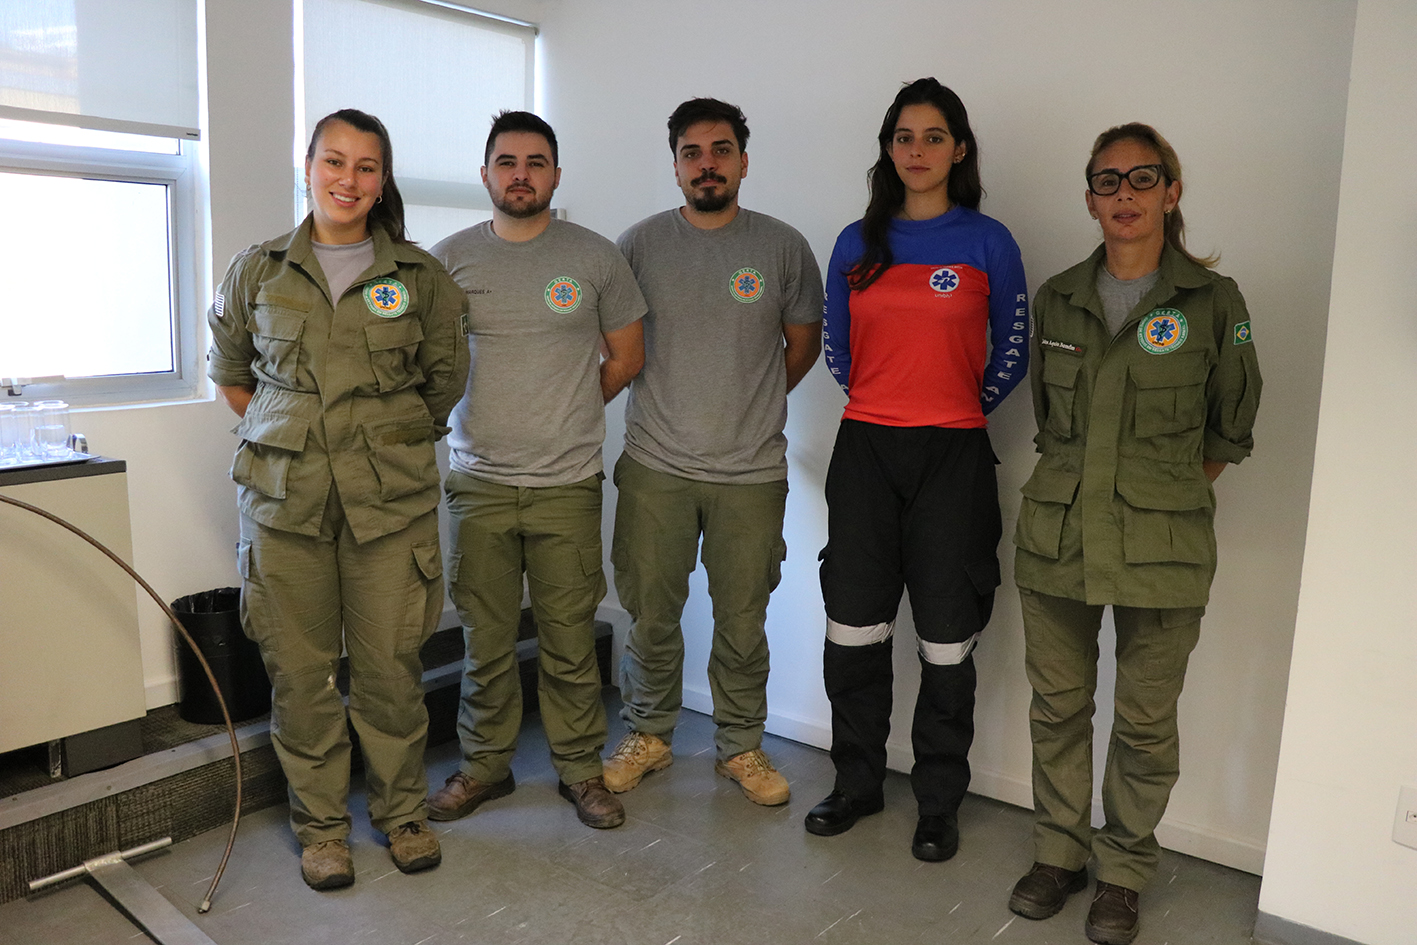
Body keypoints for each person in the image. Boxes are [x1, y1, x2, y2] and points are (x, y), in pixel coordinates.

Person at [1007, 123, 1261, 945]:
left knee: (1145, 722)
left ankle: (1121, 872)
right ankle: (1057, 851)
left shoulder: (1212, 303)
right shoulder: (1056, 297)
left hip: (1163, 549)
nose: (1124, 195)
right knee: (1058, 708)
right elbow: (1050, 424)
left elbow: (1228, 432)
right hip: (1058, 538)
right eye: (1107, 181)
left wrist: (1153, 497)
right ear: (1089, 199)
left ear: (1170, 192)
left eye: (1141, 179)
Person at [207, 108, 470, 890]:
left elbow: (442, 386)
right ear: (309, 166)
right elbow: (232, 374)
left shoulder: (421, 279)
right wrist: (296, 434)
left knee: (391, 669)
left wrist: (376, 442)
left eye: (364, 166)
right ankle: (322, 828)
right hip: (285, 506)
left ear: (381, 179)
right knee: (301, 673)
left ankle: (401, 814)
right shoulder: (257, 269)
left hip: (389, 508)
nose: (347, 180)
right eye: (333, 161)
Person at [808, 78, 1029, 863]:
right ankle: (856, 784)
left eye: (934, 136)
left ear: (958, 148)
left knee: (945, 636)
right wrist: (887, 400)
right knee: (854, 627)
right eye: (904, 136)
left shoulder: (987, 241)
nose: (917, 150)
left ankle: (938, 801)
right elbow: (838, 349)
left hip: (953, 455)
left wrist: (950, 408)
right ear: (888, 148)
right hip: (865, 449)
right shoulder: (853, 242)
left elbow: (1010, 351)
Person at [425, 111, 646, 831]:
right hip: (477, 486)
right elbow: (427, 365)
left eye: (536, 161)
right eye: (507, 161)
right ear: (485, 173)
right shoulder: (447, 260)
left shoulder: (596, 257)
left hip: (566, 486)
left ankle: (580, 771)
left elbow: (626, 357)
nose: (521, 173)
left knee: (569, 643)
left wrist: (567, 410)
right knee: (485, 643)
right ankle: (484, 767)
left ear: (555, 173)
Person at [602, 98, 823, 806]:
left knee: (741, 620)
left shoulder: (782, 248)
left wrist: (742, 404)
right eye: (692, 153)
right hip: (656, 468)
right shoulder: (636, 245)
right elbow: (617, 345)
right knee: (652, 616)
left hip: (749, 473)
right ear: (674, 166)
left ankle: (741, 745)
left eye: (720, 150)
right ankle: (649, 734)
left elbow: (801, 347)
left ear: (743, 162)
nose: (707, 164)